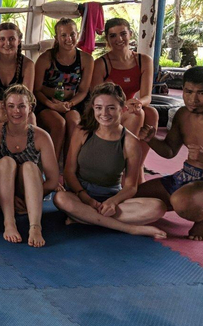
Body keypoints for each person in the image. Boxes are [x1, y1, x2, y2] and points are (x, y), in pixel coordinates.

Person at [138, 66, 203, 241]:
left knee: (183, 201)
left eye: (201, 93)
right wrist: (151, 140)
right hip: (185, 177)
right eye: (188, 91)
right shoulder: (183, 114)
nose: (193, 99)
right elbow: (170, 151)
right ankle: (195, 206)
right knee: (134, 195)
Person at [53, 82, 167, 238]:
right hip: (80, 194)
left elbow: (130, 187)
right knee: (60, 198)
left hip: (111, 196)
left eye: (111, 108)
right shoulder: (82, 132)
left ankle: (83, 218)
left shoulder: (131, 143)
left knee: (158, 207)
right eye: (99, 108)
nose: (104, 113)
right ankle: (128, 228)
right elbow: (69, 172)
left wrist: (113, 201)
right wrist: (85, 198)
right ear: (93, 108)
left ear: (122, 109)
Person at [0, 84, 60, 248]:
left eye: (22, 106)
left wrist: (32, 196)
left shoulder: (41, 136)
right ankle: (9, 222)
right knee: (7, 162)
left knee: (30, 166)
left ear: (30, 108)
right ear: (4, 108)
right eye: (11, 106)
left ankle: (35, 226)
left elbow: (52, 180)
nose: (17, 111)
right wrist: (7, 196)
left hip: (28, 194)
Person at [91, 17, 159, 177]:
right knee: (138, 114)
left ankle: (138, 164)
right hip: (107, 110)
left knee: (151, 113)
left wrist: (137, 102)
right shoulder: (102, 63)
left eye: (123, 34)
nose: (119, 39)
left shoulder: (144, 61)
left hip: (129, 106)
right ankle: (126, 164)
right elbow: (95, 97)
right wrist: (125, 105)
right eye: (113, 36)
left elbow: (147, 96)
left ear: (130, 34)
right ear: (107, 39)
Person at [34, 17, 94, 160]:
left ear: (78, 34)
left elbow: (83, 90)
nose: (69, 39)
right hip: (47, 103)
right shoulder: (45, 58)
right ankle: (51, 168)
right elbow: (35, 90)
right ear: (56, 38)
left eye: (72, 34)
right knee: (59, 124)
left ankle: (69, 167)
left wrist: (69, 104)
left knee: (74, 122)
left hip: (72, 102)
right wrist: (51, 104)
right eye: (63, 35)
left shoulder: (86, 59)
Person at [0, 22, 36, 126]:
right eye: (2, 39)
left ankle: (30, 142)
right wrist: (6, 106)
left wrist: (13, 108)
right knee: (7, 116)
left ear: (18, 41)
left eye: (11, 39)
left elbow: (27, 98)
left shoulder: (28, 64)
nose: (7, 43)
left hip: (18, 108)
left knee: (31, 117)